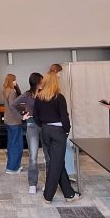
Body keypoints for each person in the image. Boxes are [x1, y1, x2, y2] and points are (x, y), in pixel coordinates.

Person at [33, 71, 80, 204]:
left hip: (45, 131)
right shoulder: (59, 97)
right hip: (58, 132)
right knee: (56, 163)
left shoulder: (39, 97)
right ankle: (48, 195)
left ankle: (69, 194)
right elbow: (65, 117)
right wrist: (66, 130)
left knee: (57, 162)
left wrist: (44, 126)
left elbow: (35, 116)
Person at [9, 73, 43, 194]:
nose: (43, 83)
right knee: (33, 156)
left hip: (44, 125)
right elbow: (13, 105)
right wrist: (22, 116)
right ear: (36, 82)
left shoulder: (44, 93)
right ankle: (32, 184)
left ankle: (49, 183)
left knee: (48, 156)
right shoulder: (27, 95)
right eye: (41, 81)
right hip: (32, 125)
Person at [2, 74, 23, 174]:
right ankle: (13, 168)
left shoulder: (5, 90)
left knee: (11, 144)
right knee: (17, 145)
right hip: (15, 121)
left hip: (8, 120)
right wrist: (21, 116)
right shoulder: (12, 91)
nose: (16, 82)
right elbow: (13, 106)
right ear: (11, 81)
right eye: (15, 80)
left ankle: (11, 165)